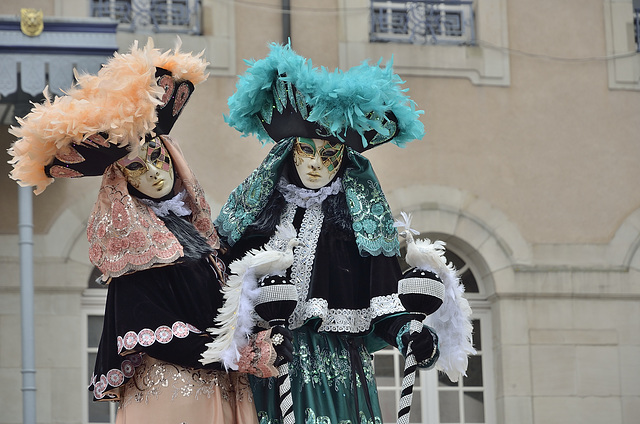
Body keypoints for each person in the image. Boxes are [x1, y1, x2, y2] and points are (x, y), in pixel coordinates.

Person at [8, 39, 291, 424]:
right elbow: (152, 329)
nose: (154, 173)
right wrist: (243, 352)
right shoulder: (133, 250)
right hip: (174, 394)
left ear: (174, 157)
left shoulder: (195, 235)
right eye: (136, 167)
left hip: (220, 385)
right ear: (121, 181)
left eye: (157, 158)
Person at [214, 43, 441, 424]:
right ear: (290, 151)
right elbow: (221, 290)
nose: (317, 164)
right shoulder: (257, 220)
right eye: (307, 150)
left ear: (344, 159)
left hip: (335, 373)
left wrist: (410, 335)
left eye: (329, 154)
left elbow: (382, 301)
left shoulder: (354, 226)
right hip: (263, 369)